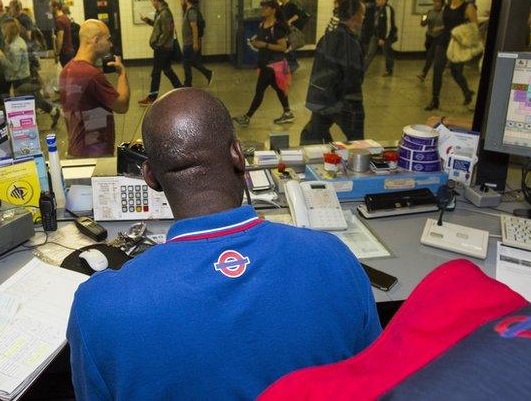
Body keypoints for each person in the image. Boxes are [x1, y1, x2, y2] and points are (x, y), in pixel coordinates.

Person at [67, 88, 381, 400]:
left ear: (150, 176)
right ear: (238, 154)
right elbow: (376, 383)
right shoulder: (334, 258)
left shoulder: (100, 306)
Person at [300, 0, 366, 143]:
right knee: (357, 141)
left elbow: (318, 68)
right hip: (344, 101)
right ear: (355, 16)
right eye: (363, 14)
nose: (364, 17)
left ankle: (315, 159)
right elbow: (354, 77)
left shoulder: (326, 37)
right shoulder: (351, 43)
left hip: (323, 98)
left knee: (312, 135)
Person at [59, 20, 129, 157]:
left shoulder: (66, 70)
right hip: (95, 154)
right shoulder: (91, 74)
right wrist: (122, 74)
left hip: (76, 150)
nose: (111, 44)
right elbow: (122, 106)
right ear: (95, 40)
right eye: (108, 39)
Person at [233, 0, 293, 126]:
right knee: (278, 88)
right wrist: (256, 42)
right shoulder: (262, 25)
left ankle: (247, 117)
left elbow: (283, 47)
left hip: (272, 65)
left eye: (265, 8)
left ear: (273, 10)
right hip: (265, 62)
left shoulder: (277, 27)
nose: (263, 10)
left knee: (260, 90)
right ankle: (287, 113)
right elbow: (261, 41)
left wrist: (264, 44)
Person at [425, 0, 477, 111]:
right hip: (444, 40)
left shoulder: (468, 7)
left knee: (456, 72)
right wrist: (440, 27)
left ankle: (467, 92)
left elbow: (474, 27)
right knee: (437, 69)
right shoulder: (448, 6)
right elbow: (448, 23)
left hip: (458, 43)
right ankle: (435, 99)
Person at [139, 0, 182, 105]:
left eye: (152, 0)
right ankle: (181, 89)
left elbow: (168, 31)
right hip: (164, 47)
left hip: (163, 48)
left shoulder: (165, 13)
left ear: (157, 0)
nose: (152, 3)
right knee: (167, 70)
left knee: (156, 73)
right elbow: (159, 26)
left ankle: (152, 98)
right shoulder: (160, 12)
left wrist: (159, 44)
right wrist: (147, 20)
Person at [180, 0, 213, 87]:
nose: (180, 2)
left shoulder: (191, 11)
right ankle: (207, 73)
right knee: (190, 62)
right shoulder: (188, 11)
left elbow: (194, 27)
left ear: (186, 0)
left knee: (187, 63)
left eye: (181, 0)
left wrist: (195, 43)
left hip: (189, 43)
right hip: (188, 42)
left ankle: (188, 83)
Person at [365, 0, 397, 77]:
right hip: (376, 35)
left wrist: (383, 38)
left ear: (385, 0)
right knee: (370, 53)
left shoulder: (388, 9)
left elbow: (389, 25)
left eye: (379, 0)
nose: (377, 1)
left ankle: (389, 70)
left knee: (387, 53)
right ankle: (363, 70)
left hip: (386, 37)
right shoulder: (377, 8)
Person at [277, 0, 308, 72]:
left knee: (289, 47)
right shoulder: (281, 7)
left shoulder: (291, 5)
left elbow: (298, 15)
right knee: (287, 47)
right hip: (284, 30)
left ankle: (293, 65)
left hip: (290, 30)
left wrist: (289, 21)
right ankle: (291, 65)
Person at [417, 0, 445, 82]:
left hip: (439, 37)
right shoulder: (429, 12)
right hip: (429, 37)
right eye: (435, 1)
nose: (436, 3)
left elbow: (448, 25)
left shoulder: (445, 13)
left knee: (430, 55)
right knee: (430, 55)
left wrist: (439, 28)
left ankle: (423, 73)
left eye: (438, 1)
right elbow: (423, 24)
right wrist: (423, 18)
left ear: (442, 3)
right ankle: (438, 66)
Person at [51, 0, 76, 66]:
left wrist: (57, 53)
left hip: (65, 53)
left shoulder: (59, 21)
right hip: (70, 50)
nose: (49, 9)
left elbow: (60, 38)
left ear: (55, 7)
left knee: (67, 74)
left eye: (50, 7)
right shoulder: (65, 18)